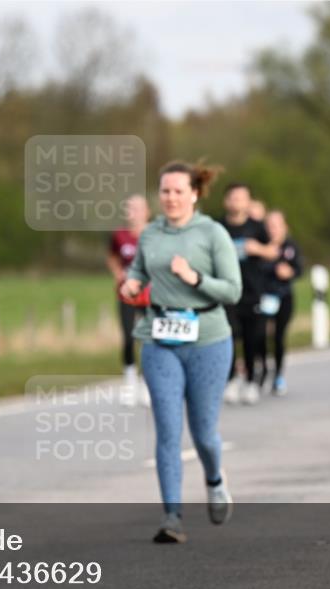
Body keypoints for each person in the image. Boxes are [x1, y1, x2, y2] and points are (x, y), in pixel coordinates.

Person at [122, 161, 241, 543]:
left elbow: (233, 290)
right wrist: (131, 283)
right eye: (165, 191)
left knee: (204, 433)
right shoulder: (150, 234)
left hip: (208, 340)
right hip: (159, 339)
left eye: (178, 191)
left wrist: (195, 278)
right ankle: (171, 517)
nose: (171, 198)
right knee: (167, 430)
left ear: (194, 194)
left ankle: (215, 479)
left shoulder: (212, 233)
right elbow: (138, 271)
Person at [217, 183, 278, 405]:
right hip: (226, 291)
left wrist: (257, 249)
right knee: (229, 336)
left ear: (248, 201)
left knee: (253, 338)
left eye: (242, 198)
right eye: (233, 198)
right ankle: (232, 379)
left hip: (252, 291)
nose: (237, 202)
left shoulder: (257, 227)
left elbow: (273, 252)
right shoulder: (218, 227)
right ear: (226, 201)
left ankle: (251, 381)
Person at [107, 194, 151, 406]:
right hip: (126, 294)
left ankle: (147, 383)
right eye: (129, 208)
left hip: (149, 295)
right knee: (128, 337)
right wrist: (118, 273)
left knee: (149, 338)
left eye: (137, 208)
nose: (132, 213)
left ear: (147, 211)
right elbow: (112, 257)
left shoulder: (154, 234)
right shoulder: (119, 235)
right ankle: (130, 382)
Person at [257, 209, 302, 395]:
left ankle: (278, 375)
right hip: (263, 297)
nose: (273, 229)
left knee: (278, 337)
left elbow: (299, 269)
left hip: (283, 296)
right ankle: (262, 370)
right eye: (270, 226)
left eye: (276, 226)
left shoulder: (291, 246)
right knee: (259, 335)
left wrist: (289, 272)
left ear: (284, 227)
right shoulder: (261, 246)